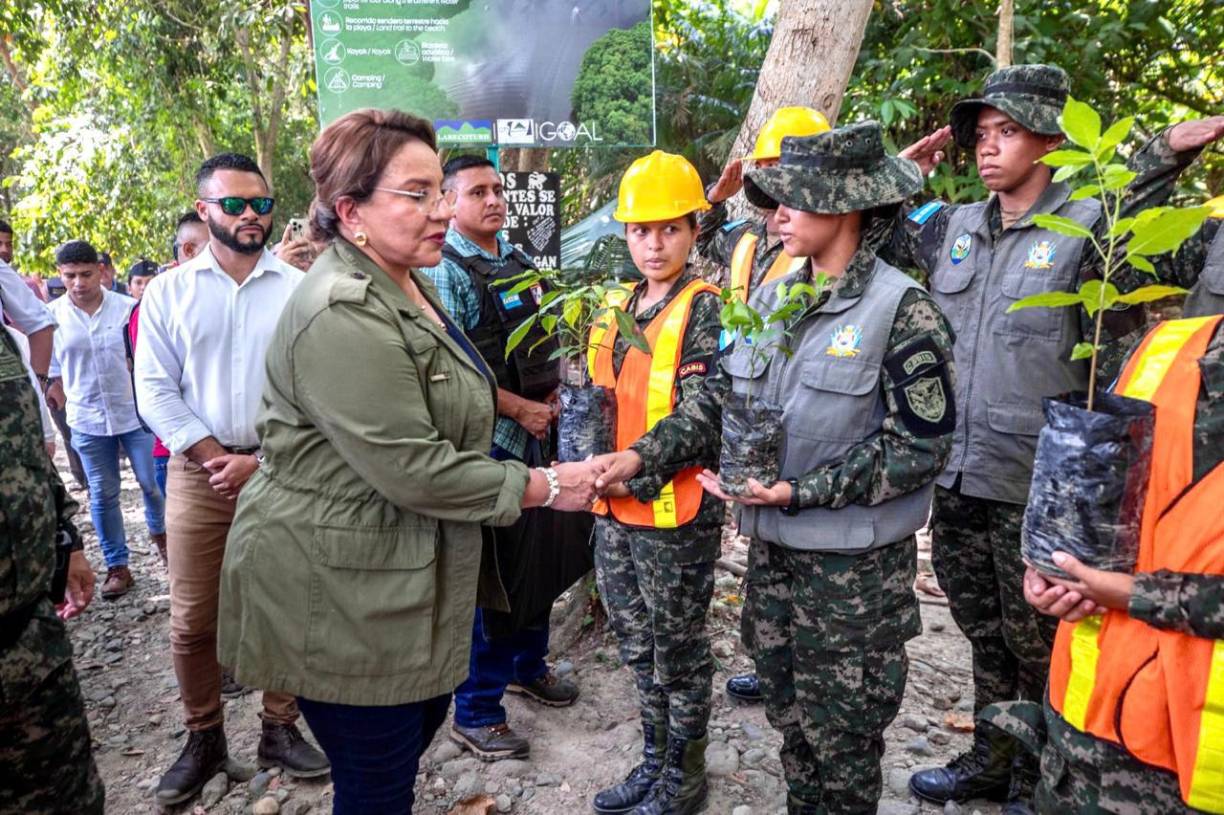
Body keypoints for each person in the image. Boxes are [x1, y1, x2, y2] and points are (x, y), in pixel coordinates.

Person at [214, 107, 601, 814]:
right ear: (351, 210)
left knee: (400, 753)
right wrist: (546, 485)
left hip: (395, 575)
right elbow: (415, 467)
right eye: (416, 193)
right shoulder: (342, 308)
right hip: (341, 595)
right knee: (377, 784)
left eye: (437, 192)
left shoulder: (405, 280)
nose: (438, 209)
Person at [883, 66, 1224, 812]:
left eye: (1007, 132)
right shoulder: (959, 229)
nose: (987, 148)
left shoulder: (1086, 228)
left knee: (1046, 639)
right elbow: (880, 230)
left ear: (1052, 142)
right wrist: (898, 174)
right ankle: (991, 760)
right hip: (962, 475)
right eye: (980, 135)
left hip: (1044, 485)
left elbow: (1154, 241)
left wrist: (1162, 153)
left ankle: (1044, 779)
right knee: (982, 631)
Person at [598, 122, 957, 815]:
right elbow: (721, 405)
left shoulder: (901, 311)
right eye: (774, 199)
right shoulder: (768, 302)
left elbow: (919, 447)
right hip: (775, 560)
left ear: (848, 205)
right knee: (790, 723)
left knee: (844, 740)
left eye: (795, 198)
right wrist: (641, 455)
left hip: (851, 575)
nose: (776, 214)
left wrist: (799, 490)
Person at [136, 152, 328, 806]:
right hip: (200, 475)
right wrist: (217, 456)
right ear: (205, 211)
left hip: (284, 467)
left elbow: (317, 390)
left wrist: (263, 462)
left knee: (289, 605)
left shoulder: (299, 289)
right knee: (193, 622)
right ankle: (204, 737)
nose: (252, 215)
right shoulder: (169, 292)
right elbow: (155, 390)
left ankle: (279, 726)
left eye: (262, 204)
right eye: (236, 204)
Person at [979, 313, 1224, 814]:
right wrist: (1054, 571)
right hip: (1083, 738)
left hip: (1190, 772)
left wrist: (1131, 594)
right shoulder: (1167, 346)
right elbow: (1091, 497)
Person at [424, 154, 582, 761]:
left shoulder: (516, 262)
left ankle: (527, 665)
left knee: (536, 564)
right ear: (450, 201)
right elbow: (451, 370)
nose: (493, 200)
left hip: (540, 434)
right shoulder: (447, 270)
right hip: (493, 443)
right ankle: (478, 711)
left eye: (498, 190)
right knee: (493, 580)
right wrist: (519, 409)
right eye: (477, 192)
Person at [581, 150, 723, 815]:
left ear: (695, 230)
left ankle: (685, 776)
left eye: (670, 228)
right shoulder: (614, 308)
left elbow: (705, 413)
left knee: (681, 652)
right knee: (638, 647)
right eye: (642, 229)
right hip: (613, 512)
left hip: (675, 516)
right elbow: (597, 399)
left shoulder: (704, 308)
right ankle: (653, 760)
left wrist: (638, 458)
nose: (654, 243)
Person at [0, 321, 104, 815]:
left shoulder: (3, 341)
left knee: (70, 795)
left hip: (31, 636)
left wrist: (67, 541)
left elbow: (27, 454)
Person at [45, 240, 164, 599]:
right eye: (70, 276)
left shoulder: (129, 310)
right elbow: (51, 369)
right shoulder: (51, 317)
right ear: (61, 276)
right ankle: (118, 566)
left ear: (102, 272)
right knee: (103, 494)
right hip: (87, 418)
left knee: (151, 482)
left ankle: (166, 543)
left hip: (136, 413)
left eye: (85, 273)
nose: (78, 282)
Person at [122, 258, 172, 503]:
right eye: (138, 283)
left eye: (149, 282)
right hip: (167, 438)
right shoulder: (141, 313)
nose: (144, 288)